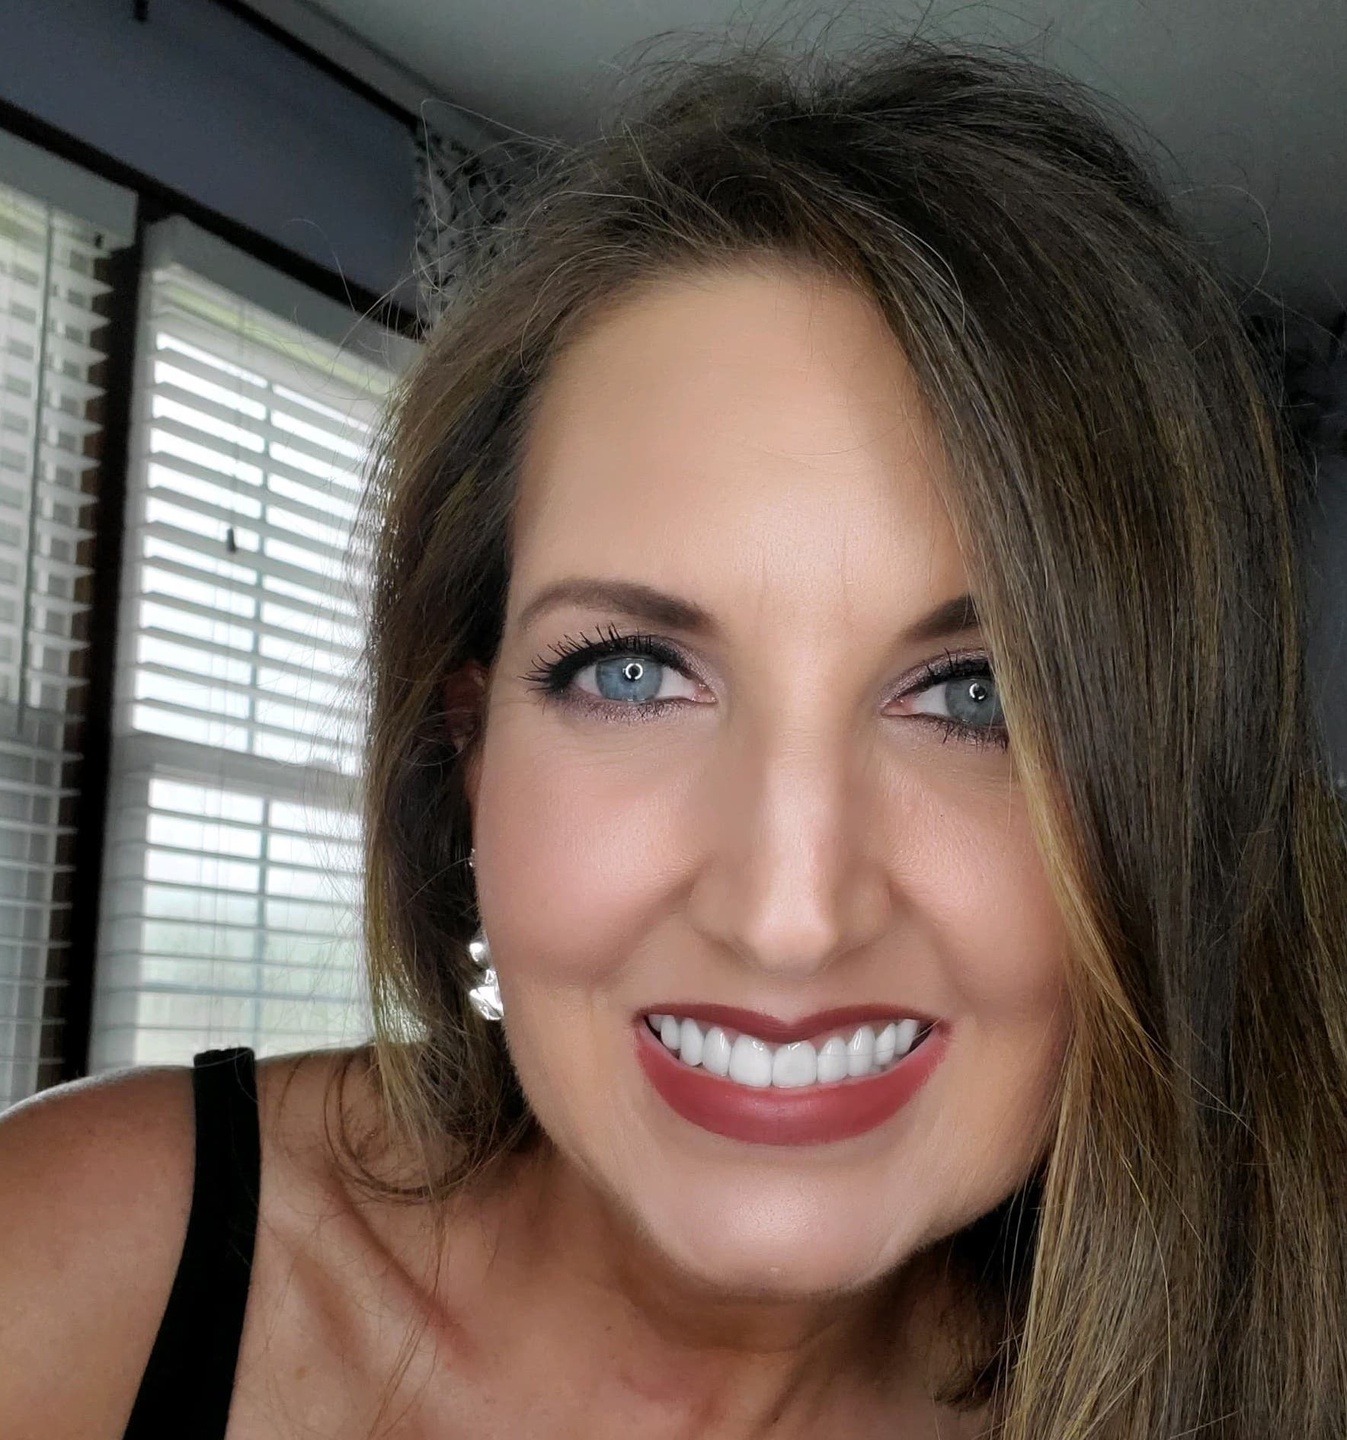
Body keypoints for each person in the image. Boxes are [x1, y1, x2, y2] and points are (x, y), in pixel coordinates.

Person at [4, 34, 1346, 1440]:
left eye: (978, 697)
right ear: (470, 761)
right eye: (632, 674)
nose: (787, 917)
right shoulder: (82, 1261)